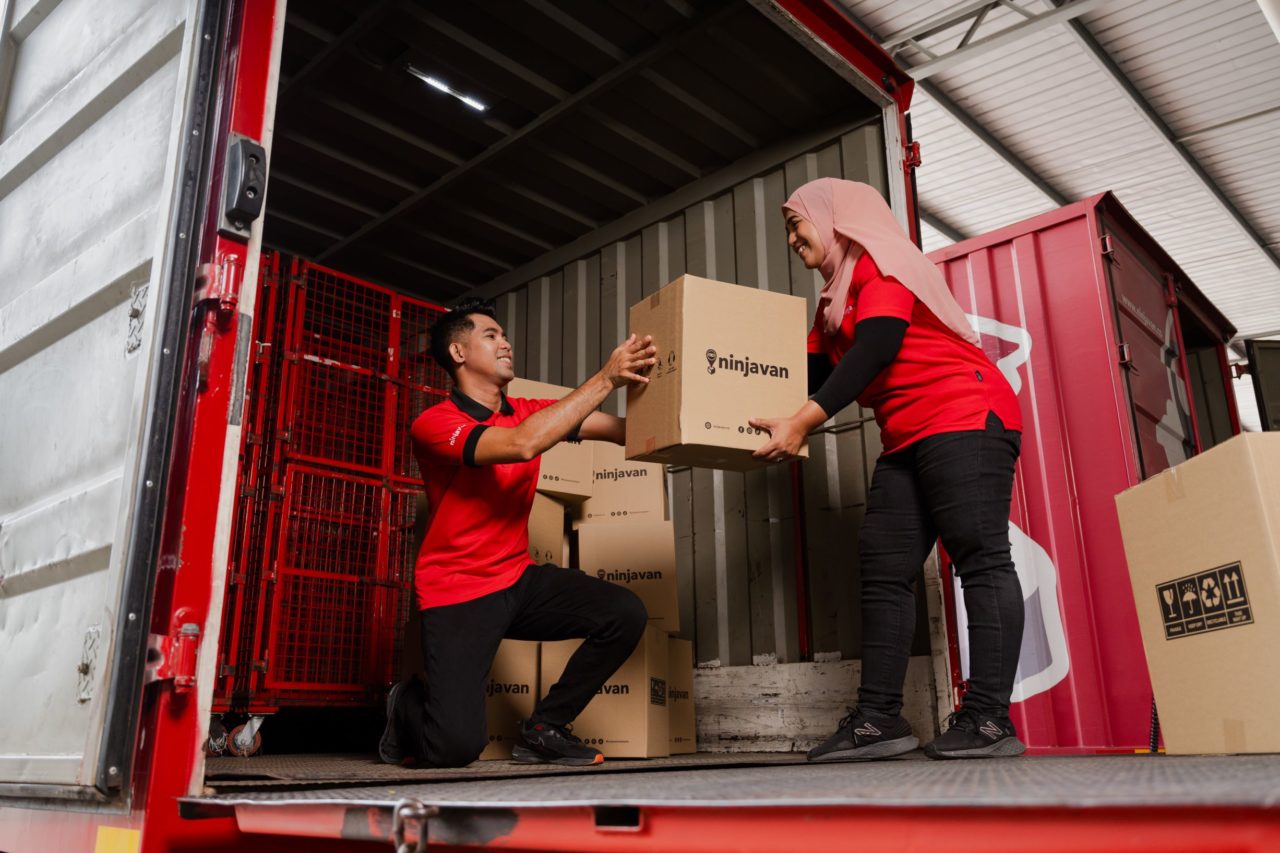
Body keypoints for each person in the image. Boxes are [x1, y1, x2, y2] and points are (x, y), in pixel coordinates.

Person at [750, 178, 1026, 761]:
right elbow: (801, 377)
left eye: (795, 222)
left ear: (834, 218)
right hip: (907, 437)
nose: (792, 238)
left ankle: (990, 719)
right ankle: (879, 719)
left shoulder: (884, 264)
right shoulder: (832, 301)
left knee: (978, 556)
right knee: (884, 568)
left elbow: (877, 347)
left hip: (965, 413)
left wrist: (803, 421)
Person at [379, 298, 657, 768]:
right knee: (456, 748)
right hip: (458, 591)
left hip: (516, 578)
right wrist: (605, 378)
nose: (506, 342)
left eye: (504, 334)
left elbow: (623, 431)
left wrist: (709, 425)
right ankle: (406, 703)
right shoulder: (435, 423)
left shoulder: (529, 410)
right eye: (491, 335)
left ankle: (546, 728)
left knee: (623, 612)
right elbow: (521, 443)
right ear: (459, 353)